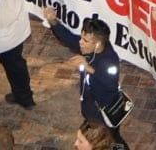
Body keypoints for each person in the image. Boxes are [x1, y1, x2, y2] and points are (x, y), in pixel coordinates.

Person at [47, 11, 129, 146]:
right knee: (112, 140)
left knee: (108, 142)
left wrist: (87, 67)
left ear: (97, 44)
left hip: (103, 116)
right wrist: (53, 21)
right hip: (91, 112)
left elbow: (110, 84)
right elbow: (68, 38)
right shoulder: (88, 49)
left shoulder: (110, 60)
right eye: (81, 38)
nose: (80, 43)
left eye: (85, 40)